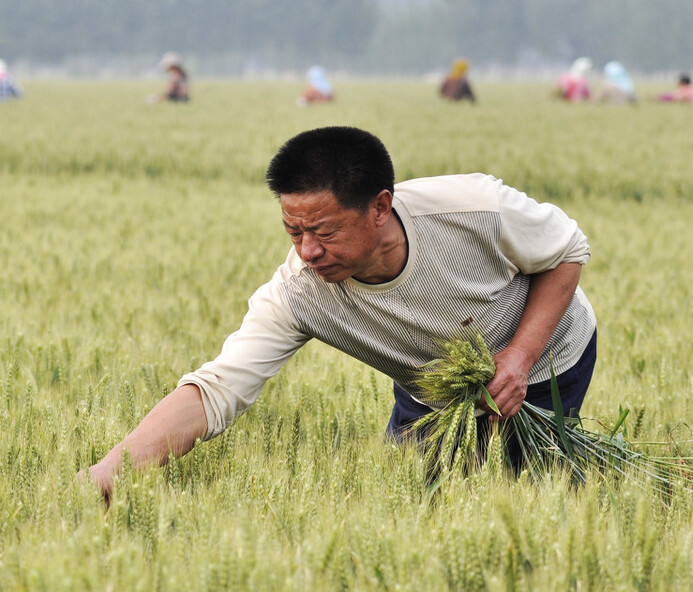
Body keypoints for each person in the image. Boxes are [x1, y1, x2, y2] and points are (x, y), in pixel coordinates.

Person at [82, 126, 596, 501]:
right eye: (293, 231)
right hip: (430, 386)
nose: (308, 250)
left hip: (548, 360)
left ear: (380, 208)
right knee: (414, 503)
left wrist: (520, 356)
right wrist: (111, 469)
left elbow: (567, 249)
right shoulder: (299, 292)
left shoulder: (472, 207)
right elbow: (218, 389)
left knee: (536, 490)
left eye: (325, 231)